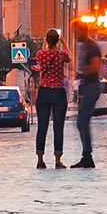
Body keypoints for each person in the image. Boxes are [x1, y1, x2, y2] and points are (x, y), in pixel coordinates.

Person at [30, 28, 72, 169]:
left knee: (42, 127)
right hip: (58, 92)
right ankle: (57, 160)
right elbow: (70, 58)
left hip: (44, 92)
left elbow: (39, 62)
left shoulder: (40, 54)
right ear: (57, 41)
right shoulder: (61, 55)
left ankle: (40, 159)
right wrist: (64, 42)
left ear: (46, 40)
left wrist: (45, 42)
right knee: (58, 127)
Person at [73, 32, 105, 169]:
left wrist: (81, 72)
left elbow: (95, 67)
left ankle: (88, 156)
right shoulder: (85, 46)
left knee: (82, 121)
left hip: (91, 87)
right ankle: (86, 155)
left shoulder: (91, 47)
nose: (74, 35)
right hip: (86, 86)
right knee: (82, 122)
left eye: (75, 31)